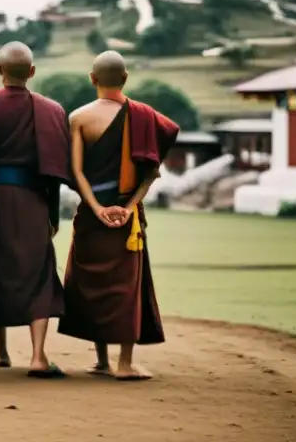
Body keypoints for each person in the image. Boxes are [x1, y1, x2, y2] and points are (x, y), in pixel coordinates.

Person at [59, 50, 179, 380]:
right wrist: (126, 209)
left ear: (92, 78)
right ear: (125, 78)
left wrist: (97, 208)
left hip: (91, 215)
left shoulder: (78, 118)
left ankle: (101, 360)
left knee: (92, 283)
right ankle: (123, 364)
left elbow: (77, 172)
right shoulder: (145, 116)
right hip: (128, 221)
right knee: (127, 287)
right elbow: (150, 173)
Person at [0, 42, 70, 378]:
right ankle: (39, 356)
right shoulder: (51, 110)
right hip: (32, 199)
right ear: (32, 72)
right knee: (38, 272)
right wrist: (53, 215)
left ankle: (1, 352)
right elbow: (54, 171)